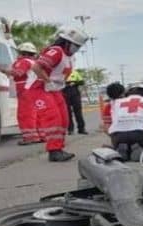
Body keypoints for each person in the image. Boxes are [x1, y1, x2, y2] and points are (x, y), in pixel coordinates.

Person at [30, 27, 88, 162]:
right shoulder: (56, 51)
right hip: (40, 87)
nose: (76, 49)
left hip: (54, 89)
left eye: (78, 47)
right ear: (67, 42)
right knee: (53, 118)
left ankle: (59, 148)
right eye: (75, 46)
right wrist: (47, 81)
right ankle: (53, 151)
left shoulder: (70, 57)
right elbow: (36, 67)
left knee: (64, 118)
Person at [0, 42, 43, 145]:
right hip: (34, 89)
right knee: (36, 113)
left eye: (19, 53)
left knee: (25, 114)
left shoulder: (23, 61)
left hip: (25, 90)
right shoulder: (33, 62)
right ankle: (40, 135)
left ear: (23, 53)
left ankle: (30, 137)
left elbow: (18, 73)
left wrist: (3, 70)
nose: (18, 55)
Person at [63, 70, 87, 135]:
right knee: (68, 113)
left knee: (78, 112)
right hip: (64, 93)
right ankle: (70, 129)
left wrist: (75, 83)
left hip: (75, 93)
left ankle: (81, 129)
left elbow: (82, 82)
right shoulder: (59, 72)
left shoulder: (74, 72)